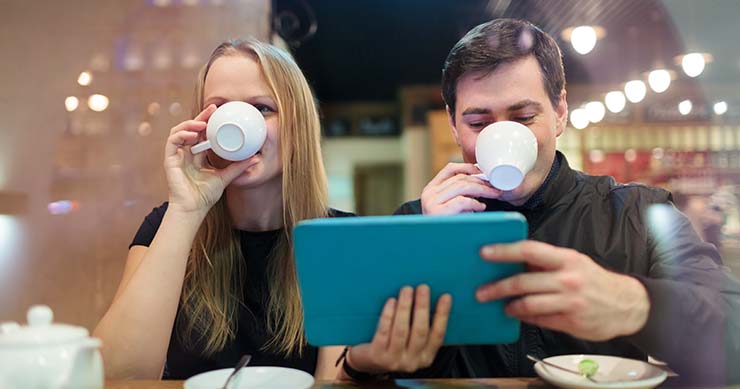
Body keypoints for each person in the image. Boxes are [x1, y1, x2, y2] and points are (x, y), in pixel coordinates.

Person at [390, 19, 740, 385]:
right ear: (452, 124)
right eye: (478, 123)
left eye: (524, 118)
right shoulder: (415, 222)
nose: (503, 137)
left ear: (559, 112)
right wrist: (429, 250)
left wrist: (637, 304)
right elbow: (374, 365)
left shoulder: (637, 213)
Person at [93, 38, 451, 380]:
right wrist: (186, 210)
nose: (236, 123)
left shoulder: (338, 240)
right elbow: (117, 375)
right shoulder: (167, 226)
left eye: (261, 108)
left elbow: (334, 377)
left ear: (297, 125)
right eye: (220, 109)